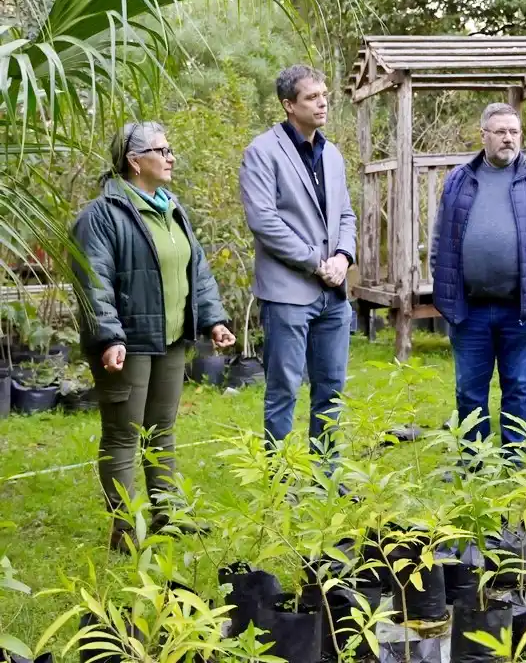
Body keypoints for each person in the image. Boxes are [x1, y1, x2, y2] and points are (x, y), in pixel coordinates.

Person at [72, 122, 235, 552]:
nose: (170, 157)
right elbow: (94, 281)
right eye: (161, 150)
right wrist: (108, 337)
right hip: (129, 341)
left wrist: (213, 320)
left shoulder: (170, 207)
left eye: (170, 149)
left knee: (162, 429)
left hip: (172, 338)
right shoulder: (102, 215)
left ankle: (168, 513)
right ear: (134, 160)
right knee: (124, 434)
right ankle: (124, 529)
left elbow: (195, 268)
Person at [432, 103, 526, 457]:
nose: (509, 139)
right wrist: (440, 276)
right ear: (484, 136)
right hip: (470, 307)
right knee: (469, 391)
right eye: (501, 132)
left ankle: (514, 462)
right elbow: (440, 238)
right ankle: (474, 463)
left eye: (514, 132)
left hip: (522, 307)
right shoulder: (460, 179)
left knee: (520, 388)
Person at [239, 65, 357, 458]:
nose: (322, 102)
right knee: (284, 389)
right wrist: (315, 261)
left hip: (334, 293)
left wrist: (343, 256)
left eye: (325, 95)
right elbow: (264, 222)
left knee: (332, 386)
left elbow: (345, 215)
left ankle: (327, 472)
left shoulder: (333, 154)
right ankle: (280, 476)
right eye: (311, 96)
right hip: (289, 292)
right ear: (289, 105)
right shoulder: (262, 152)